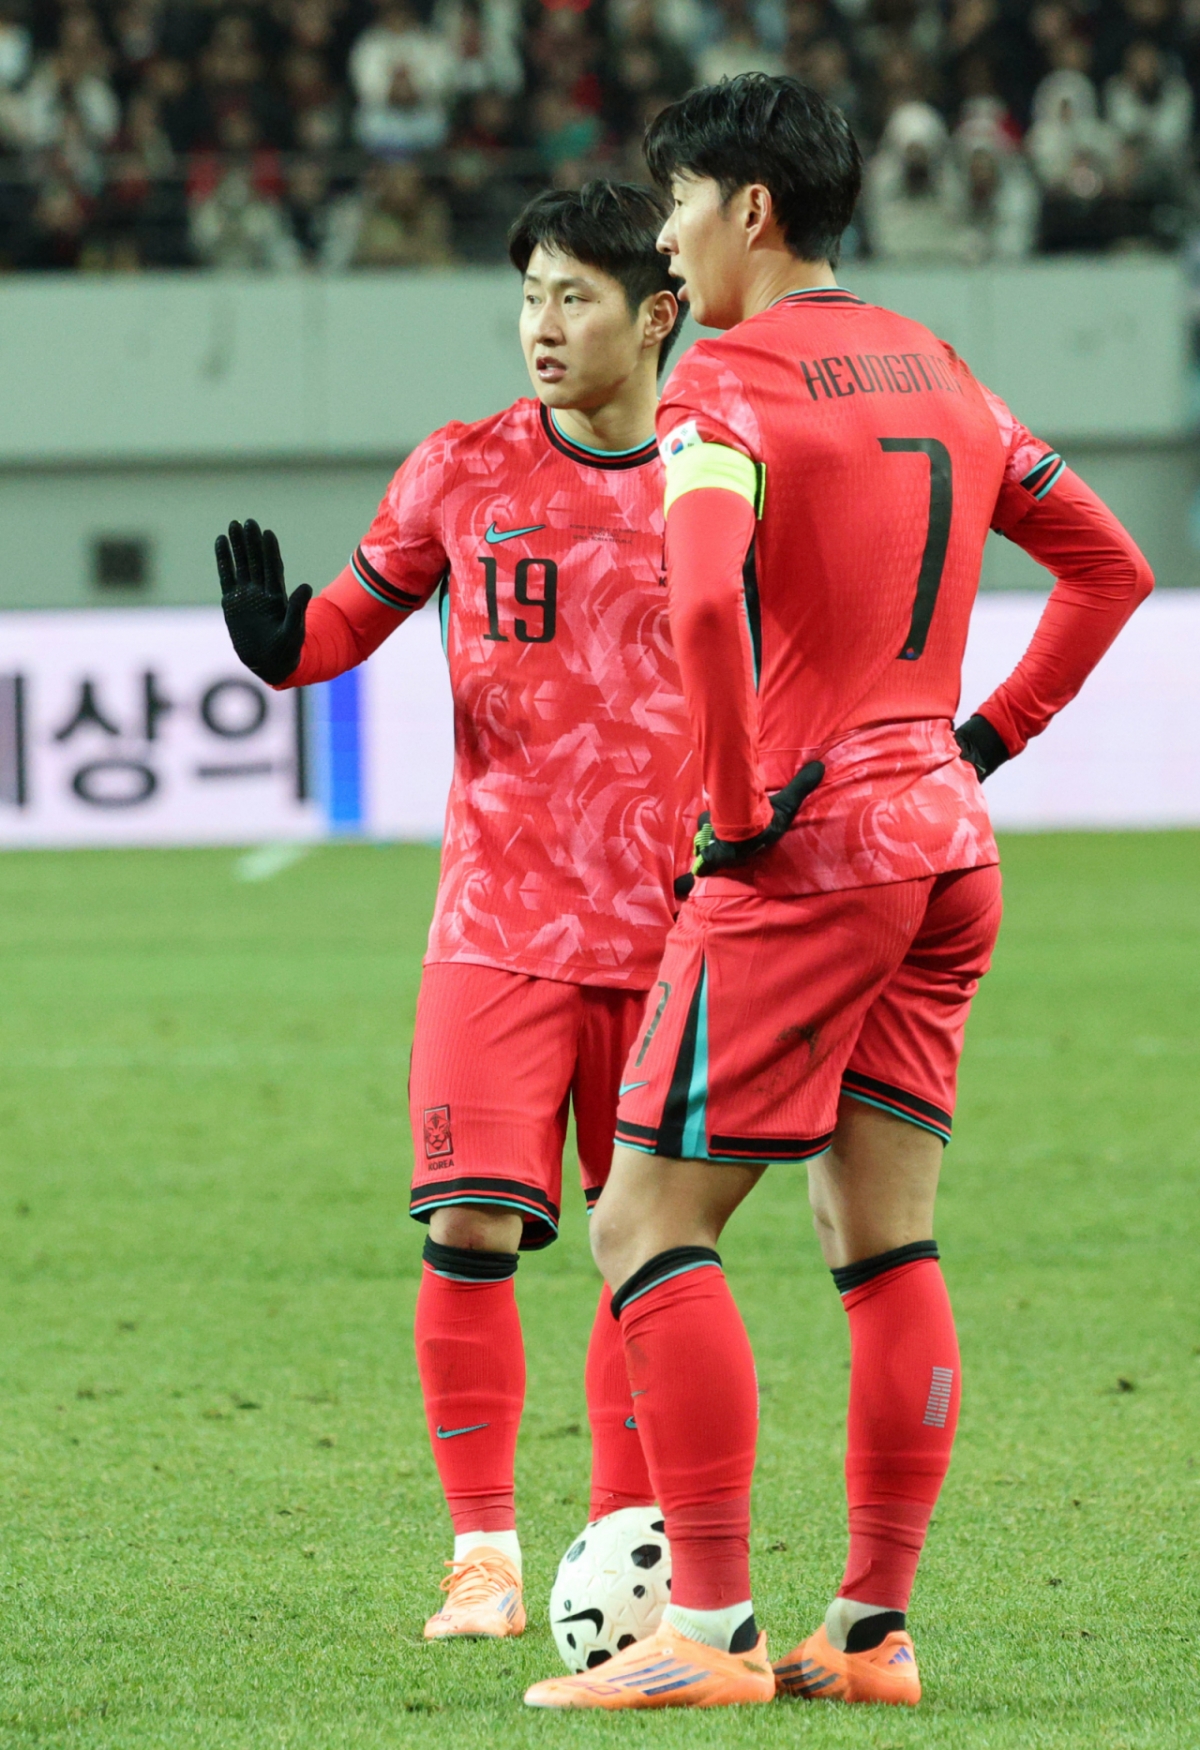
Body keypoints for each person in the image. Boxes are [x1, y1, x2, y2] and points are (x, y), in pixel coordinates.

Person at [524, 72, 1153, 1712]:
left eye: (673, 203)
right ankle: (870, 1633)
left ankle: (710, 1633)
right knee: (881, 1235)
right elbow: (1112, 565)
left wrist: (735, 807)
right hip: (946, 845)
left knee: (646, 1215)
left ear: (749, 208)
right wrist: (989, 737)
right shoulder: (938, 364)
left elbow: (707, 602)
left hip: (807, 854)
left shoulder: (718, 387)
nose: (660, 239)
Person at [213, 182, 696, 1643]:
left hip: (678, 931)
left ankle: (626, 1546)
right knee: (471, 1223)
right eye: (533, 296)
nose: (545, 328)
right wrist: (280, 645)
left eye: (577, 299)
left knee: (645, 1242)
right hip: (496, 915)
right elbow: (346, 622)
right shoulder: (460, 468)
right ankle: (481, 1555)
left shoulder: (725, 474)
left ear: (655, 312)